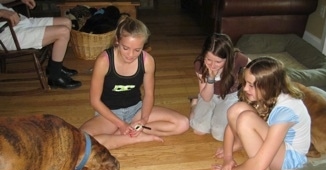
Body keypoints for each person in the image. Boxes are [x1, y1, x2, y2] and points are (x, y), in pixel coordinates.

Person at [79, 16, 189, 150]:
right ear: (117, 41)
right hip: (110, 113)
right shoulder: (104, 60)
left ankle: (127, 133)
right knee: (82, 141)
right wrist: (121, 124)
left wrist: (143, 119)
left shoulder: (148, 61)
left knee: (183, 124)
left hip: (136, 110)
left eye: (137, 50)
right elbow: (95, 101)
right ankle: (134, 137)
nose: (130, 54)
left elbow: (148, 95)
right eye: (126, 48)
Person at [212, 57, 311, 170]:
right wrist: (228, 158)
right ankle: (240, 143)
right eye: (245, 82)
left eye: (251, 85)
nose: (245, 88)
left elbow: (260, 163)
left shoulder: (286, 110)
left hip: (289, 158)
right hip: (275, 143)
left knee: (246, 119)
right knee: (236, 109)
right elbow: (230, 124)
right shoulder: (269, 94)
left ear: (269, 86)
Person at [0, 0, 81, 89]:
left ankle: (53, 67)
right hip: (7, 34)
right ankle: (55, 77)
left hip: (20, 22)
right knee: (63, 32)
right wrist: (2, 12)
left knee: (66, 22)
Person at [189, 33, 250, 141]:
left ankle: (212, 113)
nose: (212, 65)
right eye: (208, 59)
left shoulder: (238, 58)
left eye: (218, 61)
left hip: (230, 96)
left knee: (219, 135)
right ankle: (194, 104)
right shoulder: (200, 64)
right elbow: (207, 97)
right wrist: (211, 78)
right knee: (199, 130)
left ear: (228, 58)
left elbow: (255, 69)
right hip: (209, 94)